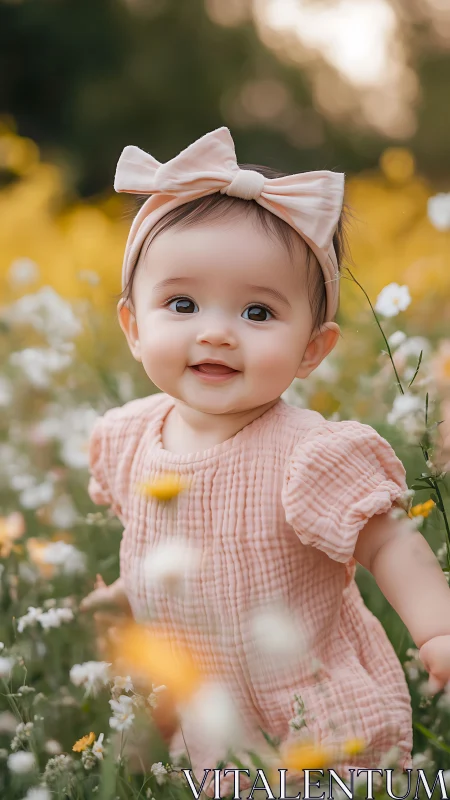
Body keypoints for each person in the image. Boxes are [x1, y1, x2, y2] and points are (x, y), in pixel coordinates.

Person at [80, 127, 450, 795]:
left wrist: (438, 631)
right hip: (209, 720)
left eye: (257, 311)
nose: (216, 331)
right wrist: (121, 602)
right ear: (134, 327)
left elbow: (389, 544)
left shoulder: (308, 454)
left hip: (319, 717)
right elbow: (151, 543)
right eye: (182, 304)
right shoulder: (129, 438)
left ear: (313, 349)